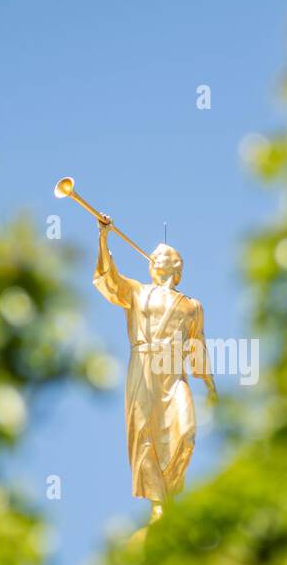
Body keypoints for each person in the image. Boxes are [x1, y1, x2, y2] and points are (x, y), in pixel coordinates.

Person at [92, 213, 216, 521]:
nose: (158, 255)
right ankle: (158, 502)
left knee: (185, 432)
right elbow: (110, 282)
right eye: (156, 254)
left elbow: (197, 345)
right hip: (144, 365)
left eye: (166, 254)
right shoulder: (137, 292)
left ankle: (171, 490)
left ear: (177, 265)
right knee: (145, 434)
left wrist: (209, 384)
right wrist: (104, 238)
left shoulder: (192, 306)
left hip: (174, 373)